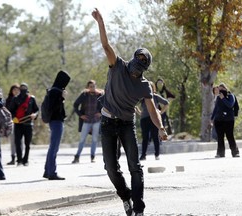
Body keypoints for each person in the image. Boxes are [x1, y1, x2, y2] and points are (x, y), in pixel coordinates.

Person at [92, 8, 168, 216]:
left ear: (145, 67)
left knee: (135, 166)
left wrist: (160, 128)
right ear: (133, 58)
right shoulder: (118, 66)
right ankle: (126, 197)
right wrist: (100, 22)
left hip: (126, 124)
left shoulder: (144, 86)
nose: (137, 67)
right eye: (138, 60)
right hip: (108, 123)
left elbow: (153, 110)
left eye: (142, 64)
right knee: (110, 168)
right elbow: (106, 46)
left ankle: (139, 210)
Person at [43, 70, 70, 180]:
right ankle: (52, 172)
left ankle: (47, 170)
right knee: (54, 148)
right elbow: (53, 107)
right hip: (56, 121)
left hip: (54, 121)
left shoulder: (53, 90)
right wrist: (62, 97)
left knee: (52, 147)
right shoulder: (56, 92)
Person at [71, 80, 103, 164]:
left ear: (95, 86)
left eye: (93, 86)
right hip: (86, 120)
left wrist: (100, 113)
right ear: (88, 87)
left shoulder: (100, 95)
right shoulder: (84, 95)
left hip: (96, 120)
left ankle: (92, 156)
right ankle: (77, 156)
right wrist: (80, 115)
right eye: (90, 86)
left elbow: (106, 105)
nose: (92, 88)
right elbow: (75, 105)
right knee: (82, 139)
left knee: (94, 139)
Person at [139, 81, 169, 161]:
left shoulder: (155, 96)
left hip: (154, 119)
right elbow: (133, 104)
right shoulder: (142, 97)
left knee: (155, 137)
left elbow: (166, 103)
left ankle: (157, 154)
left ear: (153, 88)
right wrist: (139, 112)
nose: (148, 88)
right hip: (144, 119)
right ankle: (143, 155)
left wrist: (160, 111)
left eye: (150, 87)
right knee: (145, 137)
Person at [10, 83, 39, 166]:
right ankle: (19, 160)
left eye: (25, 88)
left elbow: (36, 110)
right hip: (18, 124)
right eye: (22, 88)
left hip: (28, 124)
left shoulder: (32, 99)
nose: (23, 90)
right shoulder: (15, 99)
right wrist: (14, 117)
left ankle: (25, 160)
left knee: (27, 144)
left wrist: (35, 115)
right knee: (17, 143)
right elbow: (11, 111)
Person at [211, 82, 240, 158]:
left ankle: (235, 152)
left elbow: (230, 105)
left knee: (230, 136)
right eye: (219, 90)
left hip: (229, 120)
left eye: (222, 90)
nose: (220, 91)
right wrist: (212, 118)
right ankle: (220, 153)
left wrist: (223, 98)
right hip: (219, 120)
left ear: (225, 89)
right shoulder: (218, 98)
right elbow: (216, 108)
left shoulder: (231, 96)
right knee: (220, 137)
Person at [5, 84, 20, 165]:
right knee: (13, 140)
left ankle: (20, 157)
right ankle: (13, 157)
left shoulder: (23, 99)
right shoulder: (9, 100)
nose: (16, 91)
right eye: (14, 90)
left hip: (21, 122)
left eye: (17, 90)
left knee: (20, 141)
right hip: (12, 122)